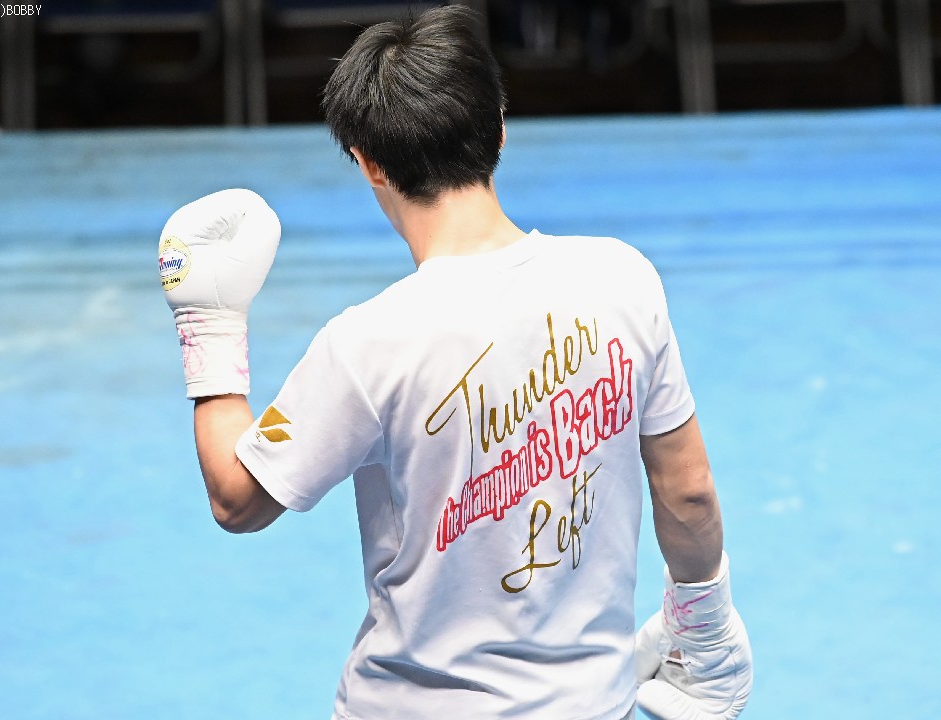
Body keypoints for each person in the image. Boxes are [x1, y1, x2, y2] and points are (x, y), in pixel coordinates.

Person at [157, 5, 752, 720]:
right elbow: (688, 493)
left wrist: (209, 323)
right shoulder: (624, 279)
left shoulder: (365, 344)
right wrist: (703, 625)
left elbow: (238, 498)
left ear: (368, 162)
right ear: (499, 127)